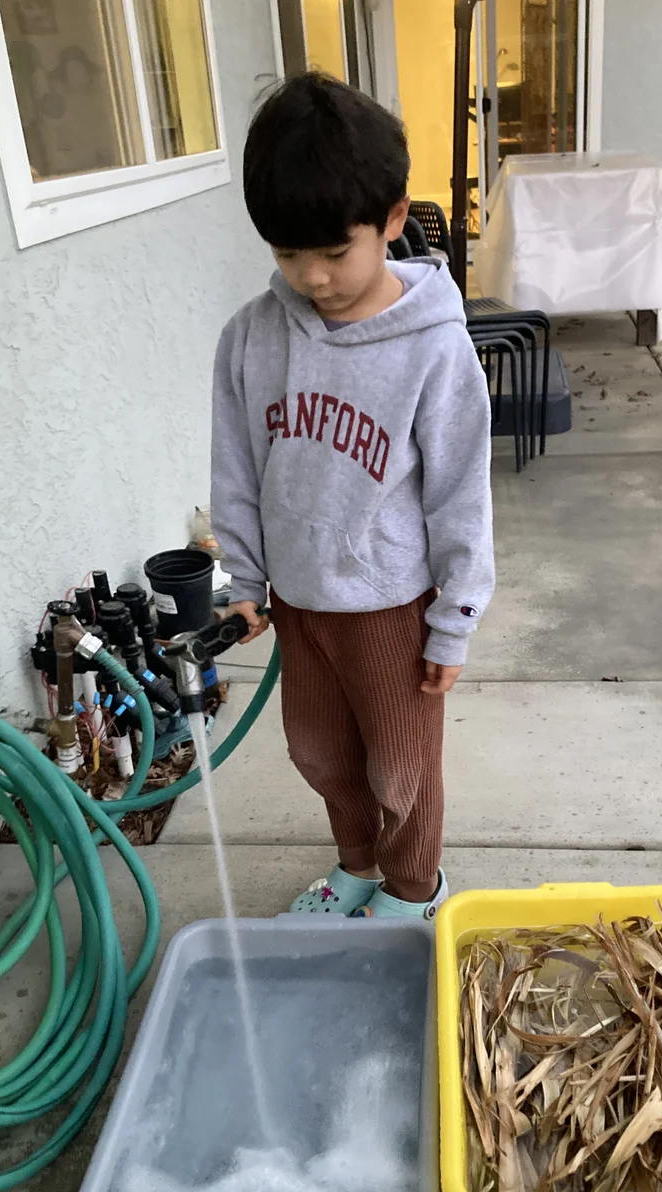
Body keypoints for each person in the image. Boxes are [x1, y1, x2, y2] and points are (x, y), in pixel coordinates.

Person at [210, 72, 493, 920]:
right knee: (319, 753)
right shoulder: (251, 338)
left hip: (389, 605)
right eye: (288, 254)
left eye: (335, 252)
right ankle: (359, 863)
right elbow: (236, 466)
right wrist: (247, 583)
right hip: (300, 601)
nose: (314, 277)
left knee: (401, 768)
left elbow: (461, 495)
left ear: (394, 220)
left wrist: (458, 616)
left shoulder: (433, 351)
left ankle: (415, 889)